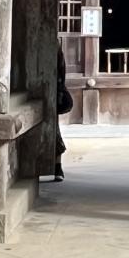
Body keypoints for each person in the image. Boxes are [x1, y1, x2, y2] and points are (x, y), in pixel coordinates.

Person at [54, 43, 73, 181]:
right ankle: (56, 167)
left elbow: (61, 72)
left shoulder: (55, 46)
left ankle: (57, 166)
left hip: (52, 90)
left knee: (54, 131)